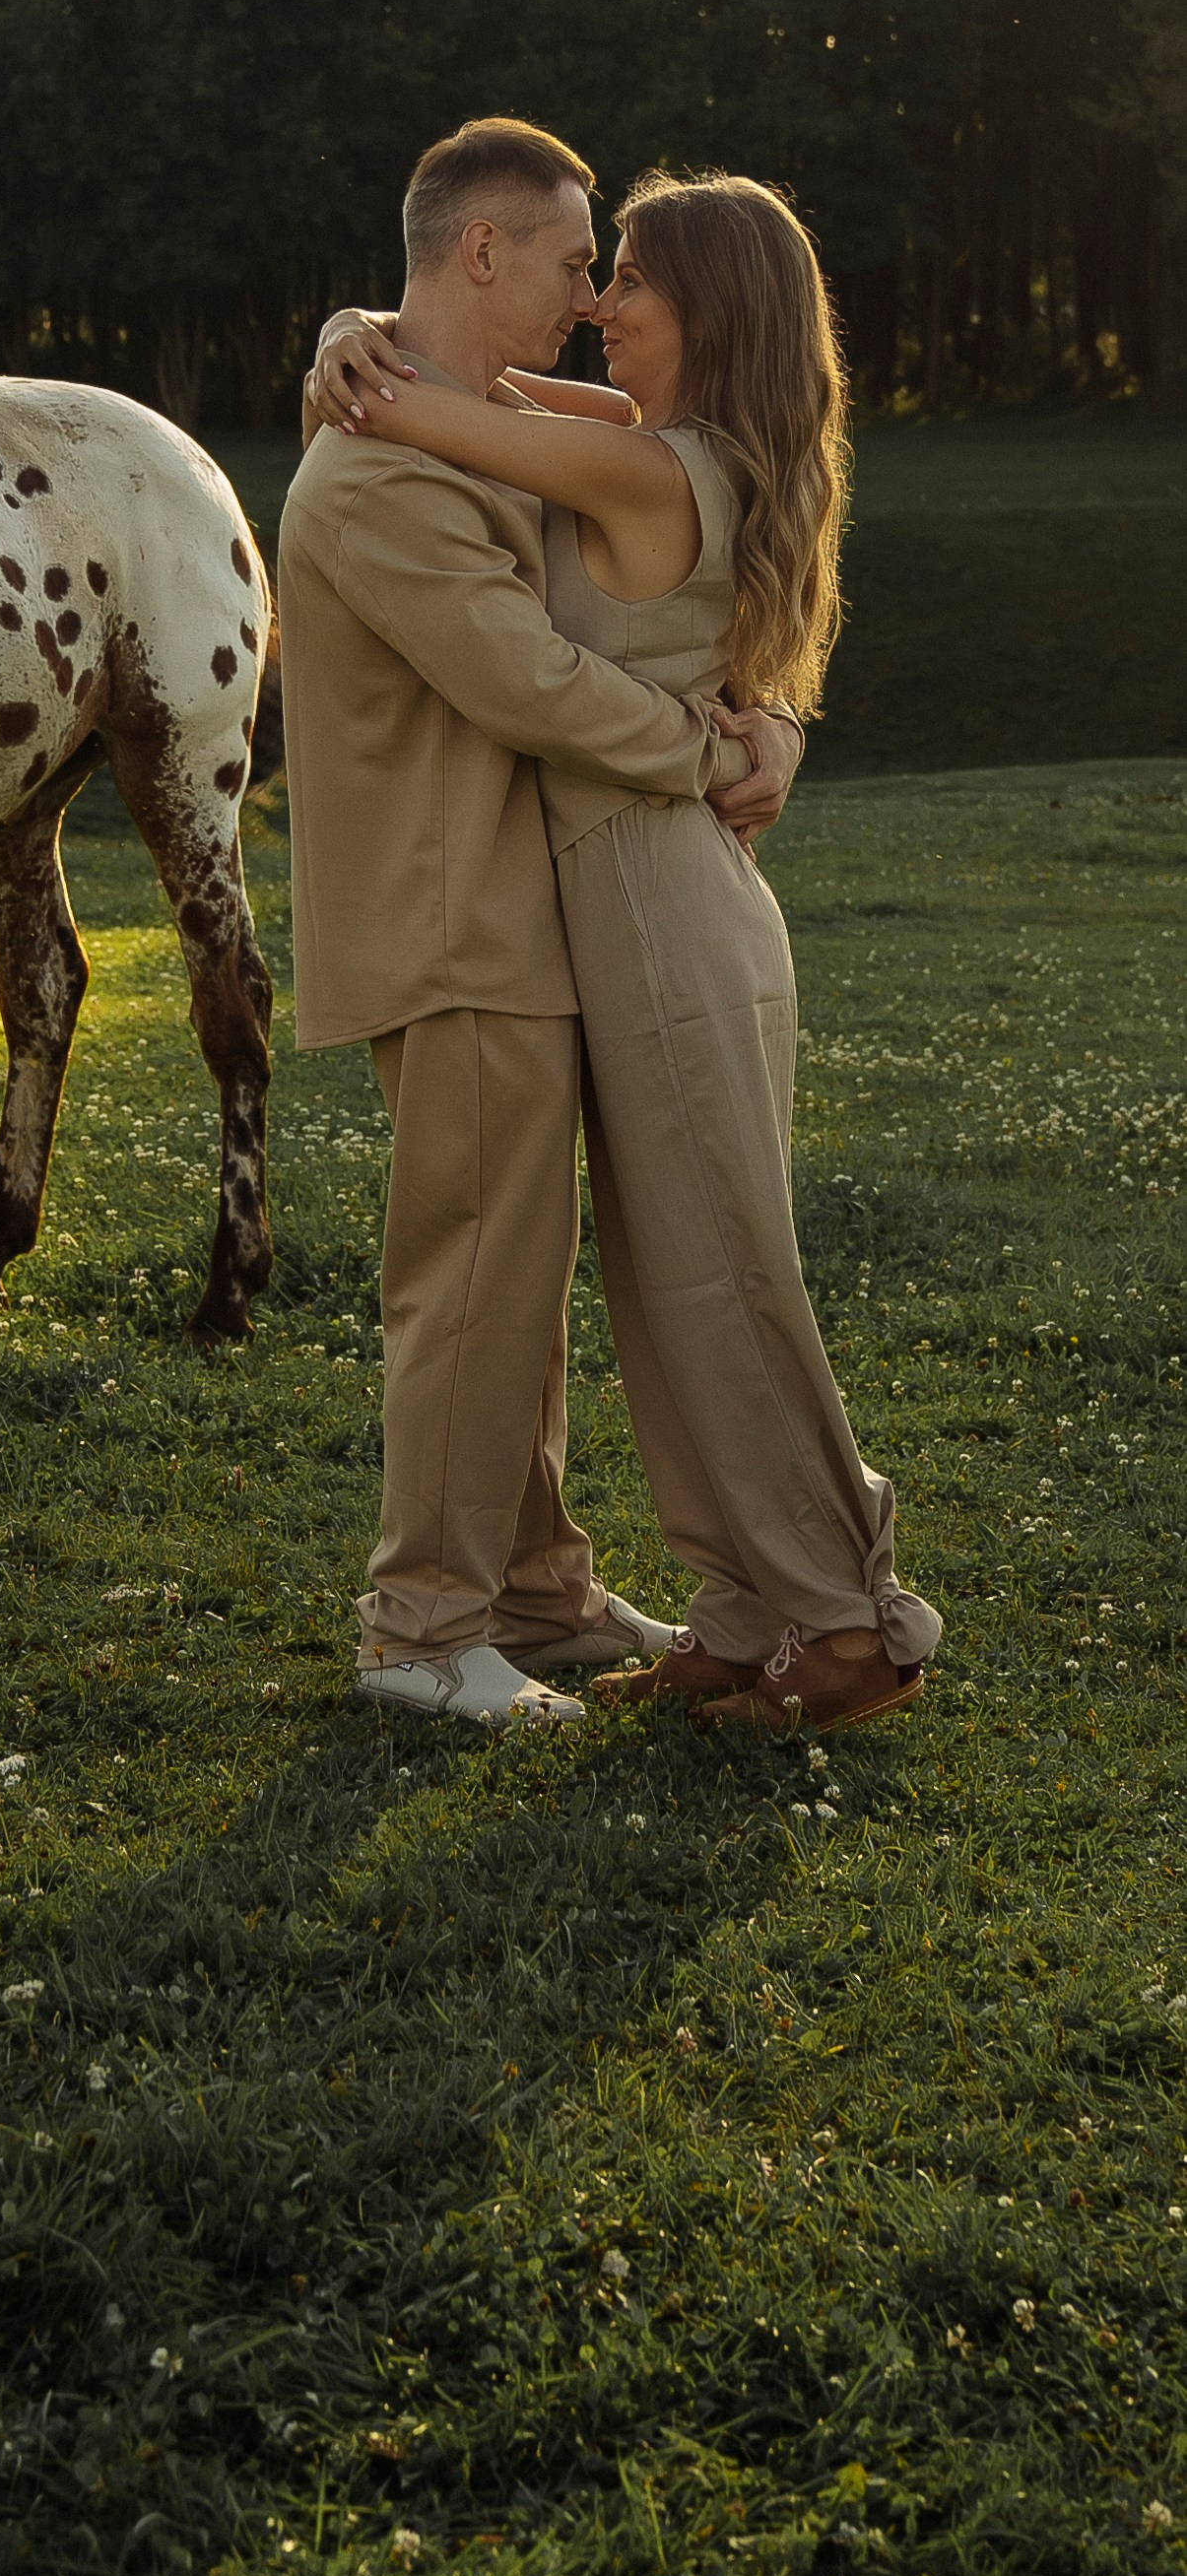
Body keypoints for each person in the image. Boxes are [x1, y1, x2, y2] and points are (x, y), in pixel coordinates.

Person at [310, 168, 942, 1736]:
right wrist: (356, 326)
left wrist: (358, 358)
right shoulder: (635, 447)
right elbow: (475, 382)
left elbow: (442, 412)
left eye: (630, 278)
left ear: (706, 317)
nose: (600, 301)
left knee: (720, 1268)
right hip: (638, 889)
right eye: (594, 269)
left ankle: (843, 1615)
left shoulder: (657, 469)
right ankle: (741, 1608)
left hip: (662, 890)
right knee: (672, 1277)